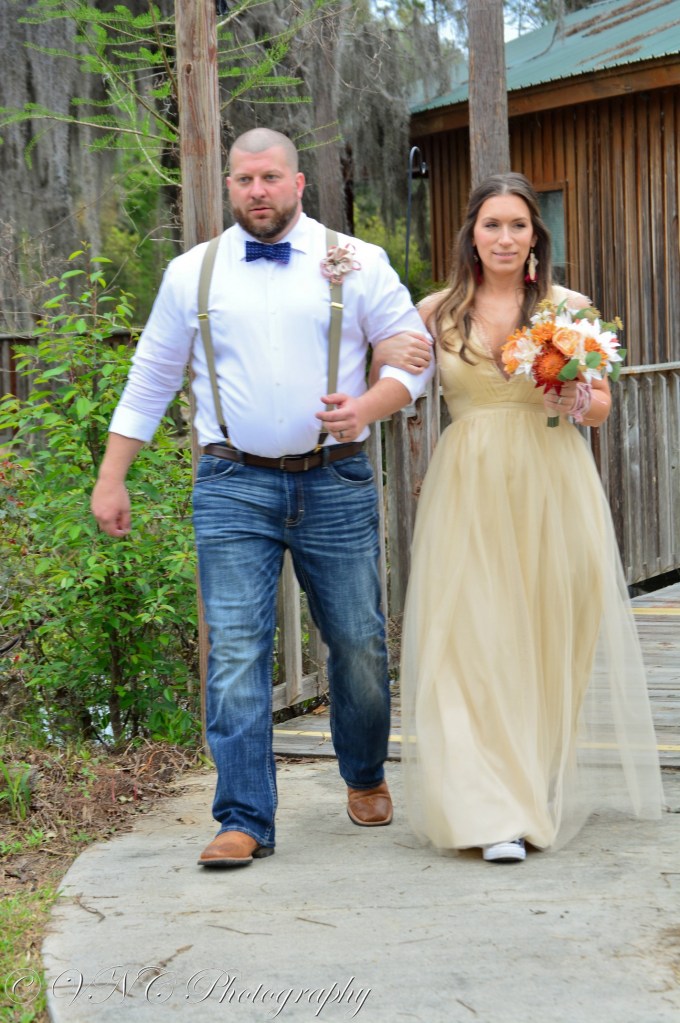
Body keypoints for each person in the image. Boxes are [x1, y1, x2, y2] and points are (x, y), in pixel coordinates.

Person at [91, 128, 434, 868]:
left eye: (270, 177)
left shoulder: (356, 259)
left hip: (335, 477)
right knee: (237, 648)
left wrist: (368, 406)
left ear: (298, 183)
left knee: (359, 642)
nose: (257, 191)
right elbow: (151, 378)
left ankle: (365, 770)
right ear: (230, 186)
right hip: (231, 482)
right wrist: (111, 476)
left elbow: (413, 355)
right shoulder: (193, 273)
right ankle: (243, 816)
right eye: (244, 179)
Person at [377, 171, 664, 863]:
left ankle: (529, 785)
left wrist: (574, 397)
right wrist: (374, 366)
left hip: (552, 482)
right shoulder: (434, 312)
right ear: (471, 235)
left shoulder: (569, 307)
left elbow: (601, 406)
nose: (505, 237)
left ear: (536, 236)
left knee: (548, 636)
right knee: (471, 640)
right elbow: (395, 379)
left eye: (518, 225)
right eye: (492, 225)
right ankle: (490, 810)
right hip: (469, 489)